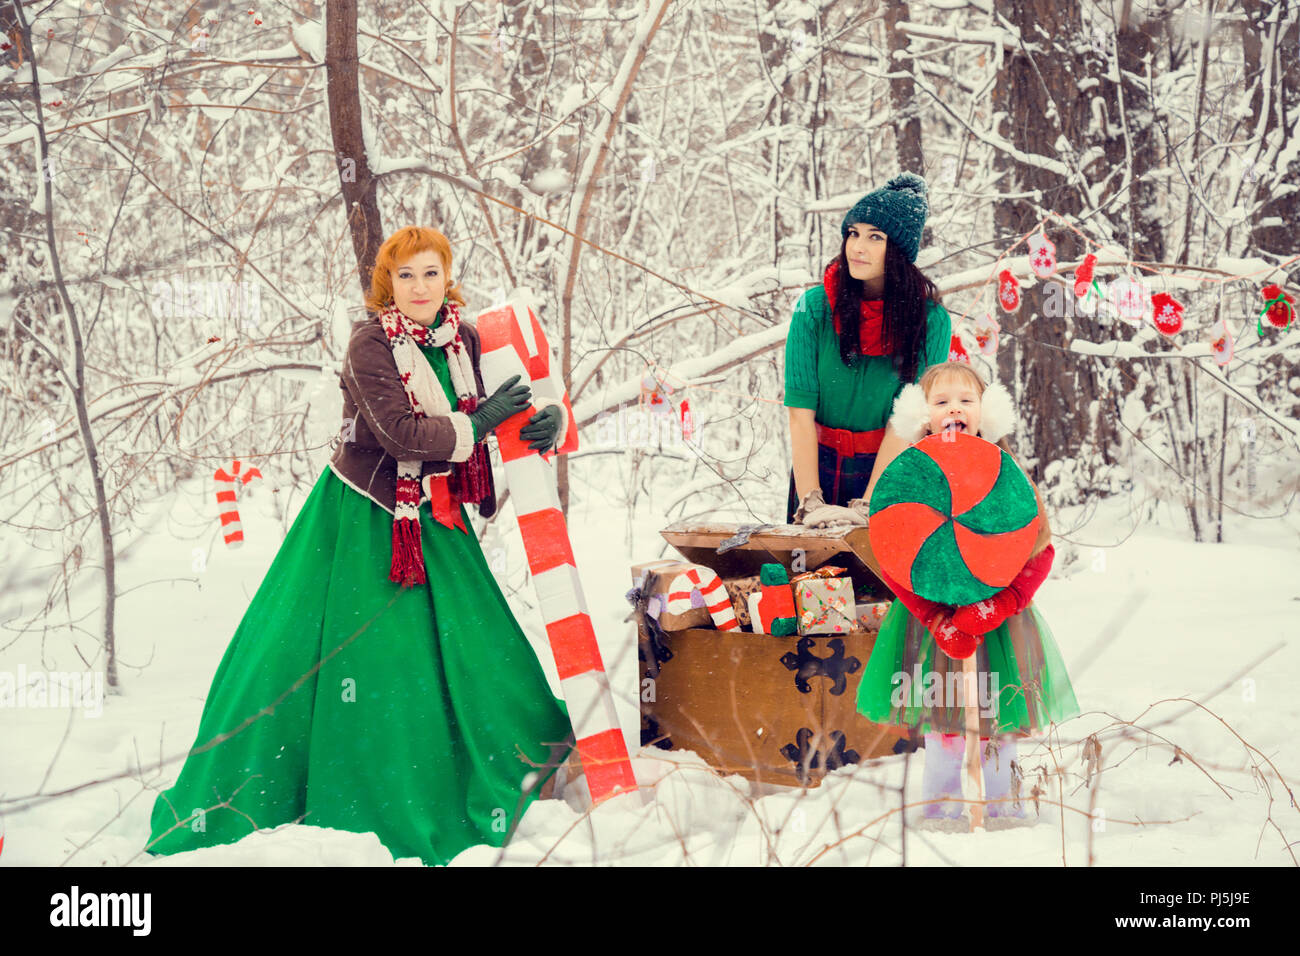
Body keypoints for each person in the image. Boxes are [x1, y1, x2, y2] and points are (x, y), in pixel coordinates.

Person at [145, 226, 574, 865]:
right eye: (406, 276)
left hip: (438, 516)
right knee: (379, 667)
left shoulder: (466, 338)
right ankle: (374, 798)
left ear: (446, 277)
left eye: (431, 273)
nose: (420, 287)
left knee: (482, 649)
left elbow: (512, 398)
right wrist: (480, 423)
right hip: (370, 519)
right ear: (387, 284)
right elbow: (402, 435)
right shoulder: (371, 344)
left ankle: (521, 764)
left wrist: (547, 422)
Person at [856, 360, 1080, 829]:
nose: (954, 409)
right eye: (941, 401)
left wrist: (996, 605)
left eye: (966, 400)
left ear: (986, 411)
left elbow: (1040, 551)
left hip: (1000, 627)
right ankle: (937, 813)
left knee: (998, 723)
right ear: (923, 415)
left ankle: (1001, 812)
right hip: (931, 626)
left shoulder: (1008, 477)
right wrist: (938, 619)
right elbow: (893, 559)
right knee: (944, 727)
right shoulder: (909, 478)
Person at [784, 171, 954, 528]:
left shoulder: (931, 321)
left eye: (875, 237)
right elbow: (800, 413)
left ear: (899, 250)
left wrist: (868, 506)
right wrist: (811, 502)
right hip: (817, 466)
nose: (857, 247)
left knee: (877, 580)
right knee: (808, 576)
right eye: (853, 233)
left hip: (889, 468)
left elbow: (908, 419)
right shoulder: (813, 308)